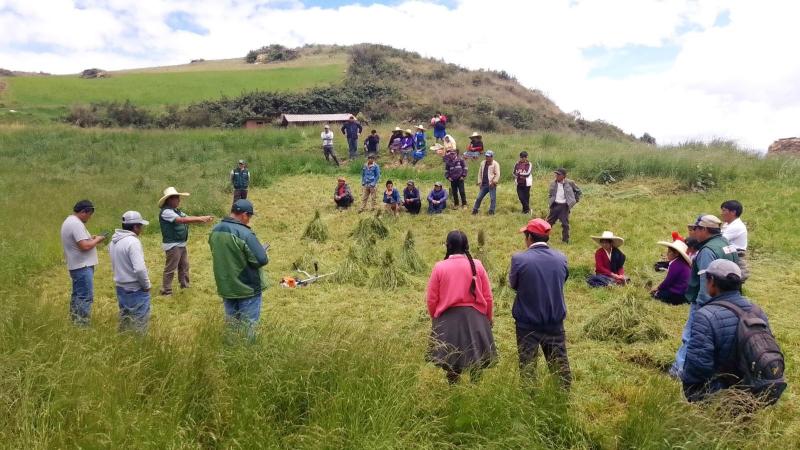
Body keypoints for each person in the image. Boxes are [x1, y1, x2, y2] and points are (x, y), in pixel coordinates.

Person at [682, 259, 786, 404]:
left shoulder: (705, 315)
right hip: (755, 387)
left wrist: (692, 393)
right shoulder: (757, 310)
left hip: (721, 395)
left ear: (712, 281)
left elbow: (698, 365)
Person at [671, 214, 739, 378]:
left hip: (708, 302)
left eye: (696, 229)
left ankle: (680, 369)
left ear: (704, 230)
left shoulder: (707, 251)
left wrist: (702, 307)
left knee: (691, 335)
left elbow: (705, 282)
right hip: (728, 301)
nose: (694, 233)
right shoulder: (726, 244)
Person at [426, 230, 496, 384]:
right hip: (476, 319)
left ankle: (454, 389)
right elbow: (488, 297)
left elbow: (431, 299)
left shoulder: (439, 267)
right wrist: (489, 318)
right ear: (467, 246)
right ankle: (475, 388)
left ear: (448, 246)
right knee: (476, 358)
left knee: (451, 360)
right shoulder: (477, 265)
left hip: (447, 321)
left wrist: (436, 319)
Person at [510, 219, 572, 388]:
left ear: (529, 237)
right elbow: (563, 280)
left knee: (528, 367)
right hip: (554, 321)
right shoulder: (561, 258)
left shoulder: (519, 259)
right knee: (560, 366)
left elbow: (514, 284)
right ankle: (563, 400)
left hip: (527, 323)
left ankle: (530, 401)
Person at [208, 199, 269, 340]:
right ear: (244, 215)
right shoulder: (245, 234)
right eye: (250, 217)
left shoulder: (215, 230)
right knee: (249, 326)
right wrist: (263, 252)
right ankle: (247, 355)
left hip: (226, 286)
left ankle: (231, 349)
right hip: (246, 287)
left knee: (232, 323)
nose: (249, 220)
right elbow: (261, 260)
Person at [157, 187, 214, 296]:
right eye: (177, 198)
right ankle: (166, 290)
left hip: (180, 243)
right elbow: (181, 220)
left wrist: (202, 219)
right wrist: (201, 218)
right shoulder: (166, 212)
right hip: (173, 245)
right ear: (169, 199)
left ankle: (185, 285)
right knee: (171, 268)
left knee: (184, 266)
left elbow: (187, 218)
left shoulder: (176, 211)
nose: (179, 200)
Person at [60, 200, 106, 325]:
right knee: (84, 297)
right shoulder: (76, 224)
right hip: (82, 266)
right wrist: (98, 240)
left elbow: (81, 242)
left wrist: (91, 239)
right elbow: (84, 246)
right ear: (84, 211)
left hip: (77, 265)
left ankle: (75, 322)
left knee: (77, 295)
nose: (89, 218)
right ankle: (82, 326)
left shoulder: (69, 221)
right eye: (89, 214)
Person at [109, 211, 152, 333]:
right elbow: (139, 268)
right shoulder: (133, 242)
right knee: (139, 325)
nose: (141, 229)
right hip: (135, 289)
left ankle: (124, 346)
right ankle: (138, 348)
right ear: (135, 227)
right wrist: (146, 285)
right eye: (141, 226)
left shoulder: (113, 242)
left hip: (121, 287)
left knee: (125, 321)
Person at [650, 239, 692, 305]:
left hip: (678, 294)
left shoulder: (675, 265)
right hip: (685, 292)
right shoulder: (680, 262)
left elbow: (668, 281)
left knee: (655, 294)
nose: (667, 254)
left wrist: (658, 288)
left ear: (676, 254)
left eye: (669, 252)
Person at [546, 168, 581, 243]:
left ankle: (565, 240)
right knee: (548, 223)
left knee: (565, 224)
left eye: (559, 174)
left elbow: (578, 191)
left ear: (564, 176)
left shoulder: (570, 183)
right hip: (555, 205)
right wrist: (551, 201)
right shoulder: (553, 183)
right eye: (556, 174)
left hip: (564, 206)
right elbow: (550, 194)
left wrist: (574, 201)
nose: (557, 176)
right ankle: (544, 239)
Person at [472, 150, 500, 215]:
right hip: (484, 184)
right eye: (486, 156)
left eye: (488, 156)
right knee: (479, 197)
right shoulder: (483, 163)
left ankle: (491, 211)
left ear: (492, 157)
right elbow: (480, 173)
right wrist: (479, 182)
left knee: (493, 198)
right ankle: (475, 210)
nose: (487, 158)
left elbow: (497, 174)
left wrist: (494, 182)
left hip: (491, 184)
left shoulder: (495, 164)